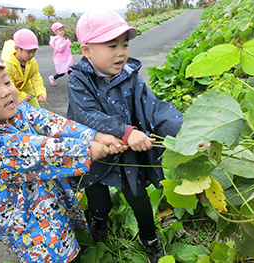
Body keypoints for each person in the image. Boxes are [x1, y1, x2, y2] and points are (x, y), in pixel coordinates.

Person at [0, 51, 127, 263]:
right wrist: (90, 149)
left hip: (27, 180)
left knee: (54, 210)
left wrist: (94, 135)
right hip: (10, 204)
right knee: (43, 240)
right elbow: (36, 151)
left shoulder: (13, 109)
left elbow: (48, 121)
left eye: (7, 82)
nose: (6, 92)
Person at [66, 9, 184, 263]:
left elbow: (153, 107)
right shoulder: (78, 80)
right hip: (95, 151)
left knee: (138, 198)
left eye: (125, 44)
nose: (121, 52)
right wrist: (126, 131)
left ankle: (149, 236)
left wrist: (185, 132)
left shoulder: (131, 77)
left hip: (127, 154)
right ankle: (98, 220)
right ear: (87, 51)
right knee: (97, 195)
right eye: (111, 45)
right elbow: (86, 114)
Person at [1, 28, 47, 108]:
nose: (32, 55)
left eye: (34, 51)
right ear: (17, 49)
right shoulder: (8, 65)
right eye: (29, 52)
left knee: (36, 111)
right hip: (10, 93)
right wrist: (21, 96)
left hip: (27, 89)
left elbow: (36, 78)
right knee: (14, 115)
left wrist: (40, 93)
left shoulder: (32, 62)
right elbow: (7, 84)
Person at [48, 22, 73, 87]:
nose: (62, 32)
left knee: (70, 70)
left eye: (62, 30)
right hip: (61, 59)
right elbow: (60, 49)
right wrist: (65, 42)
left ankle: (75, 82)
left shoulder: (61, 39)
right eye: (60, 30)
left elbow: (66, 47)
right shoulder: (57, 40)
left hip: (66, 58)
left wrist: (68, 42)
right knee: (62, 72)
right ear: (55, 32)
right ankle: (53, 78)